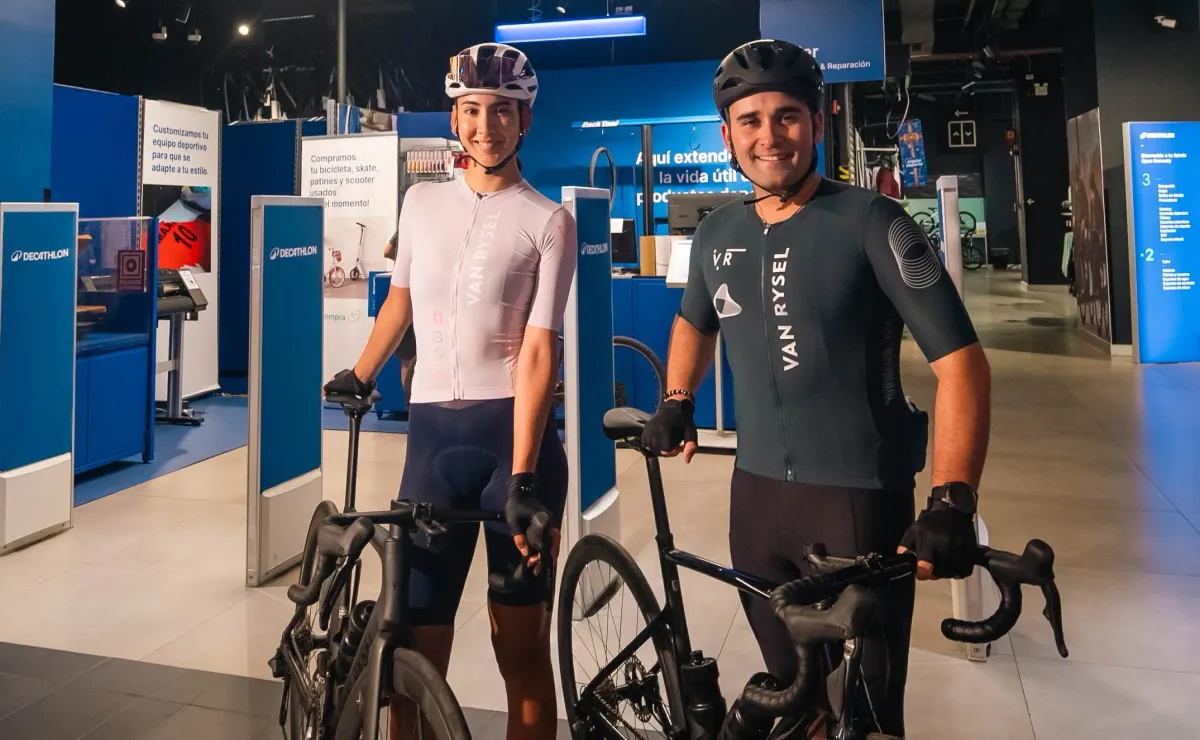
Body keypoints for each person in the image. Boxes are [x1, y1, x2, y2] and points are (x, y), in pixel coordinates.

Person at [640, 39, 991, 738]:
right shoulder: (715, 234)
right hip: (757, 503)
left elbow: (963, 364)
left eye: (787, 116)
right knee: (794, 704)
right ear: (727, 134)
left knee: (865, 715)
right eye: (751, 120)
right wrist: (677, 400)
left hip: (858, 505)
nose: (769, 136)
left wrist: (952, 498)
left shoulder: (874, 222)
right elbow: (693, 323)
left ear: (819, 120)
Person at [323, 42, 577, 740]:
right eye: (470, 110)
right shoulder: (422, 201)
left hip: (513, 456)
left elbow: (537, 349)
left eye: (501, 111)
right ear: (455, 116)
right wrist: (363, 371)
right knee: (411, 655)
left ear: (525, 119)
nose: (484, 126)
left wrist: (524, 474)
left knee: (518, 653)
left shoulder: (549, 220)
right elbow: (399, 302)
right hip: (431, 448)